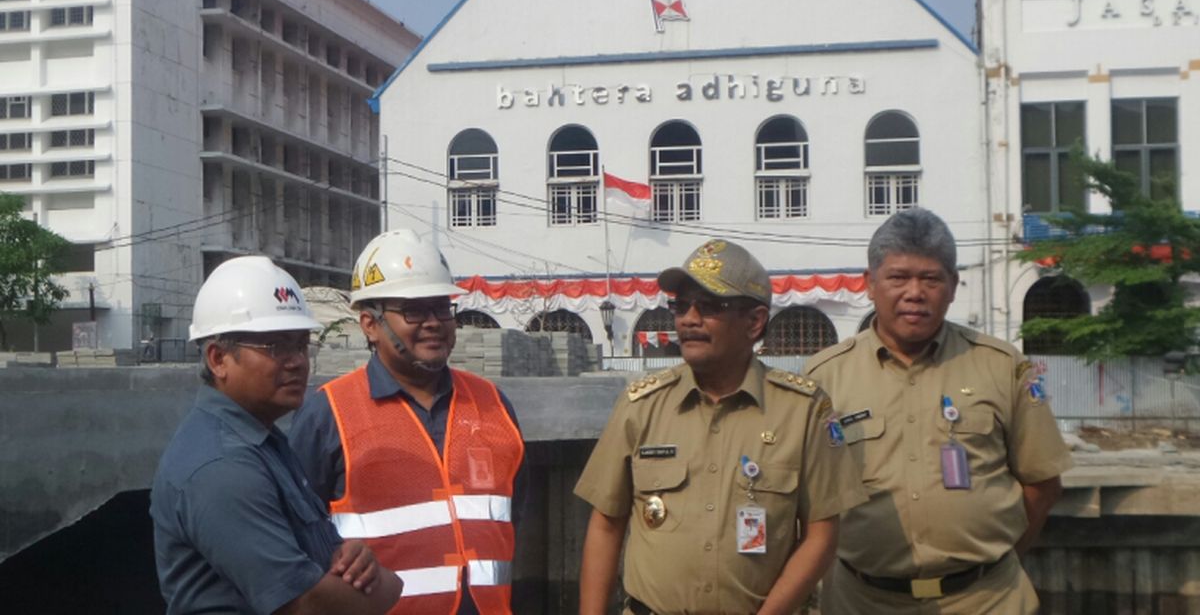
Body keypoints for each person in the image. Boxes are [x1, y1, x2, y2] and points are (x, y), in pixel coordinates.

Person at [576, 238, 867, 615]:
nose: (689, 319)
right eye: (680, 306)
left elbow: (821, 535)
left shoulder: (804, 411)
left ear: (755, 321)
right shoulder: (641, 406)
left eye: (710, 306)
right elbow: (605, 525)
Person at [806, 208, 1073, 614]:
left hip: (987, 601)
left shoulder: (1002, 366)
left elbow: (1042, 484)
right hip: (862, 602)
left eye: (930, 278)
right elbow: (807, 500)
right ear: (870, 284)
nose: (915, 292)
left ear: (952, 286)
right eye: (898, 277)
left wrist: (994, 563)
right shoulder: (823, 376)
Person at [291, 229, 527, 615]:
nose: (433, 322)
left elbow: (511, 517)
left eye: (440, 307)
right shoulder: (327, 415)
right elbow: (298, 545)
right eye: (414, 310)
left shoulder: (493, 406)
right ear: (370, 324)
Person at [150, 256, 400, 615]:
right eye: (275, 347)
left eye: (300, 344)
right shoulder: (221, 466)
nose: (297, 361)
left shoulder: (264, 443)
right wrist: (386, 585)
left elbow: (324, 558)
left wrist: (356, 559)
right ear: (219, 359)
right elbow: (307, 605)